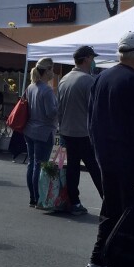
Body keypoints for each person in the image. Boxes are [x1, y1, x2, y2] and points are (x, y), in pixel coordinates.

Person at [84, 32, 134, 267]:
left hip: (107, 159)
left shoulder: (101, 78)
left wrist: (99, 154)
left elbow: (91, 121)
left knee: (111, 211)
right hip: (130, 162)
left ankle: (97, 263)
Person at [57, 45, 104, 216]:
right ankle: (107, 200)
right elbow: (95, 111)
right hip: (85, 133)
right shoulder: (89, 81)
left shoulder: (64, 79)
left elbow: (59, 108)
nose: (94, 61)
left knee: (72, 169)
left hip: (68, 131)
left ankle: (74, 202)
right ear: (85, 59)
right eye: (92, 58)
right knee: (96, 169)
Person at [23, 57, 58, 208]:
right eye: (52, 69)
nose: (53, 72)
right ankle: (38, 198)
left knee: (32, 163)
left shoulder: (31, 87)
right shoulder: (47, 90)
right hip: (44, 131)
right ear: (47, 70)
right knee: (39, 165)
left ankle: (33, 197)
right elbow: (51, 113)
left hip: (30, 129)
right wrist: (60, 106)